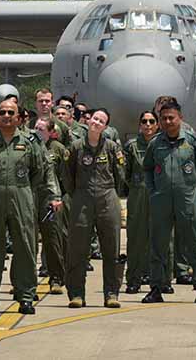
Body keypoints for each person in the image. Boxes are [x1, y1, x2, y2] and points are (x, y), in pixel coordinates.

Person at [0, 99, 61, 316]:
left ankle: (26, 297)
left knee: (25, 247)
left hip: (22, 195)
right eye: (2, 112)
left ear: (18, 117)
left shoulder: (30, 142)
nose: (6, 116)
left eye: (10, 112)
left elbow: (38, 172)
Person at [141, 99, 196, 304]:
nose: (168, 122)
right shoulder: (155, 143)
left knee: (194, 243)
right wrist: (153, 191)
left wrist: (190, 187)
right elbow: (147, 168)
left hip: (187, 200)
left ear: (180, 118)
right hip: (161, 201)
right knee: (158, 245)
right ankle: (156, 287)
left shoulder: (193, 141)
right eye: (164, 118)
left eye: (171, 118)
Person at [64, 109, 126, 308]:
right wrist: (77, 195)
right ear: (89, 120)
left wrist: (111, 195)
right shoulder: (75, 147)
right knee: (78, 248)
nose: (97, 123)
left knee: (111, 248)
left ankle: (111, 293)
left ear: (105, 127)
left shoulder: (111, 147)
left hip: (107, 197)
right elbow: (67, 175)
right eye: (95, 119)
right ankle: (76, 294)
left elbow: (120, 175)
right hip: (82, 199)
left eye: (102, 121)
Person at [123, 111, 158, 294]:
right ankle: (134, 278)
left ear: (157, 125)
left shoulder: (162, 144)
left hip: (158, 195)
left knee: (159, 238)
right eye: (144, 121)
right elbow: (125, 173)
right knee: (136, 238)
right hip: (137, 194)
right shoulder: (131, 146)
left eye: (152, 121)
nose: (148, 124)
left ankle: (160, 279)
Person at [35, 118, 71, 294]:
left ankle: (56, 278)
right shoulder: (29, 146)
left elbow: (66, 175)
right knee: (26, 240)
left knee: (53, 239)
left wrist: (61, 198)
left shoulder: (58, 149)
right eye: (36, 128)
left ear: (51, 132)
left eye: (42, 129)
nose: (38, 131)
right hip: (31, 196)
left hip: (51, 199)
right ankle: (23, 280)